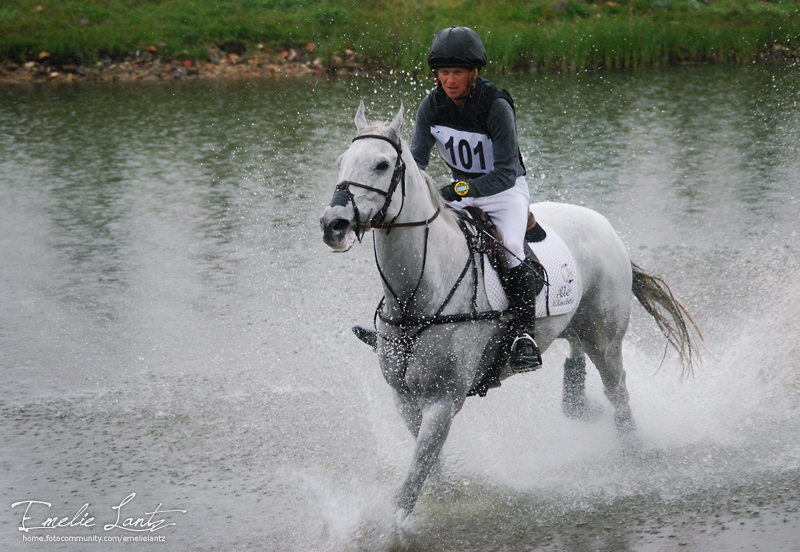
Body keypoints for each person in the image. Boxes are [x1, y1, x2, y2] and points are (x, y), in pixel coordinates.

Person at [354, 26, 541, 371]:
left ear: (473, 74)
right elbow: (416, 161)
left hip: (505, 193)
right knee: (418, 237)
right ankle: (392, 326)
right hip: (460, 191)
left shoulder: (496, 105)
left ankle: (524, 336)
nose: (449, 80)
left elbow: (504, 173)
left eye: (457, 72)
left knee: (512, 248)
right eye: (443, 72)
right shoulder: (432, 104)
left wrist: (458, 191)